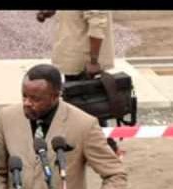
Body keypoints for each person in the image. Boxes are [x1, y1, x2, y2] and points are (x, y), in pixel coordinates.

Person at [0, 64, 127, 189]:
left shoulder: (84, 124)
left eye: (35, 99)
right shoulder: (7, 118)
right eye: (24, 96)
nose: (27, 103)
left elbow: (115, 174)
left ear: (55, 96)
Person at [37, 10, 120, 154]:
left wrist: (93, 61)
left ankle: (106, 149)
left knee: (89, 108)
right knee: (86, 107)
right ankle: (103, 147)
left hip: (83, 64)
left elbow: (97, 22)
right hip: (72, 58)